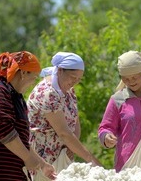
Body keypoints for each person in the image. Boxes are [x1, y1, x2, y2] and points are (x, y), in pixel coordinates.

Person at [0, 51, 57, 181]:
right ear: (24, 73)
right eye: (34, 77)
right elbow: (4, 131)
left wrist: (42, 164)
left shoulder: (18, 99)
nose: (33, 83)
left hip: (10, 170)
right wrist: (27, 158)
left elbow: (20, 139)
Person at [27, 52, 101, 180]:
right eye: (73, 77)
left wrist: (71, 148)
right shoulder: (47, 93)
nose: (74, 82)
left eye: (78, 79)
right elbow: (63, 133)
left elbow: (75, 121)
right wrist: (91, 159)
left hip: (63, 155)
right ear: (60, 71)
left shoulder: (68, 91)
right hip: (44, 160)